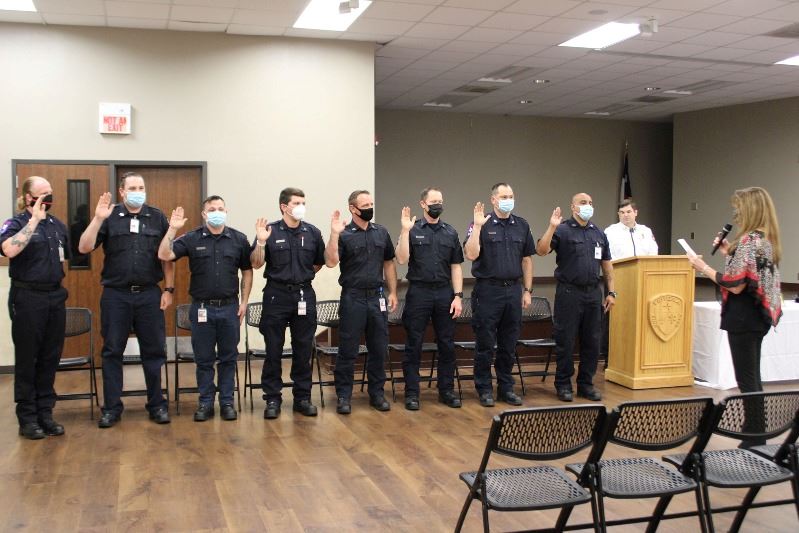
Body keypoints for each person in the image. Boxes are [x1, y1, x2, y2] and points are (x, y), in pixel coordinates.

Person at [78, 172, 174, 428]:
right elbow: (84, 247)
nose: (138, 192)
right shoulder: (109, 216)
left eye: (141, 187)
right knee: (112, 351)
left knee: (154, 351)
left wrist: (169, 289)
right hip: (116, 295)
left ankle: (157, 405)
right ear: (122, 192)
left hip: (149, 294)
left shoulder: (157, 217)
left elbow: (167, 257)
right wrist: (98, 219)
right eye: (132, 188)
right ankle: (111, 408)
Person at [158, 196, 253, 422]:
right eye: (212, 209)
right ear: (204, 214)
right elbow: (164, 255)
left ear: (226, 211)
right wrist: (172, 229)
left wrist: (244, 301)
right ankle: (206, 403)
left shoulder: (239, 239)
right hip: (202, 309)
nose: (216, 212)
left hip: (230, 308)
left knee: (229, 358)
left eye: (220, 208)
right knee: (204, 360)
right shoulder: (192, 238)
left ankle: (227, 402)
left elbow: (247, 271)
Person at [687, 187, 782, 396]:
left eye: (738, 208)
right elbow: (749, 274)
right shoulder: (764, 240)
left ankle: (754, 418)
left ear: (750, 210)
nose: (736, 213)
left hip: (743, 318)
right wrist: (729, 252)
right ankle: (757, 417)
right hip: (757, 316)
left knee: (747, 382)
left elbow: (736, 285)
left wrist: (702, 267)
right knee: (753, 379)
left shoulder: (748, 241)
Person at [1, 177, 69, 439]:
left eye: (50, 193)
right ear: (28, 197)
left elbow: (64, 258)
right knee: (28, 357)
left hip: (54, 296)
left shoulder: (57, 226)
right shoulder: (16, 223)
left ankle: (45, 413)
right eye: (42, 194)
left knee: (50, 357)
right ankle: (28, 418)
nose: (47, 198)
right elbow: (8, 250)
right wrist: (33, 222)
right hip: (27, 297)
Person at [250, 188, 325, 420]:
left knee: (303, 349)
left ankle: (302, 397)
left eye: (303, 202)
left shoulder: (312, 232)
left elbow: (318, 263)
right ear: (284, 206)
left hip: (304, 294)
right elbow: (256, 263)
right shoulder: (269, 231)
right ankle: (272, 398)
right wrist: (260, 242)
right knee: (273, 349)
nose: (301, 206)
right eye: (296, 203)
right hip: (276, 295)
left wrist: (300, 276)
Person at [536, 193, 615, 402]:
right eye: (583, 203)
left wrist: (611, 292)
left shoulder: (598, 233)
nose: (588, 206)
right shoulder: (562, 230)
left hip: (593, 293)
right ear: (573, 207)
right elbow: (541, 250)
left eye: (590, 203)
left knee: (592, 341)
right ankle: (563, 384)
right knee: (566, 340)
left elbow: (607, 265)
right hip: (569, 293)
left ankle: (586, 384)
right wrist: (552, 226)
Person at [324, 190, 398, 414]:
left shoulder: (381, 232)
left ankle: (377, 394)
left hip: (377, 297)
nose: (369, 208)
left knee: (379, 348)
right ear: (352, 208)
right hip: (353, 297)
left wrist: (393, 292)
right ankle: (343, 396)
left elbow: (389, 263)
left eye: (371, 204)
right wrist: (334, 234)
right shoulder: (344, 234)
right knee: (348, 349)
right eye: (365, 205)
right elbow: (331, 261)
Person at [463, 183, 534, 407]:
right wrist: (477, 226)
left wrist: (528, 290)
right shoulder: (480, 223)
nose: (508, 200)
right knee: (485, 344)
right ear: (493, 200)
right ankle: (484, 389)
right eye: (504, 196)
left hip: (513, 290)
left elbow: (527, 260)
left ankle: (506, 388)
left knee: (508, 344)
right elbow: (471, 254)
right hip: (488, 290)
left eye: (511, 196)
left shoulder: (521, 225)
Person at [395, 188, 464, 410]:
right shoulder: (412, 229)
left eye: (440, 201)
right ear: (423, 204)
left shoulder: (450, 232)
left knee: (447, 344)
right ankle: (412, 393)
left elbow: (456, 266)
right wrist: (405, 230)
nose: (438, 205)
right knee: (414, 343)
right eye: (433, 201)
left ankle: (447, 391)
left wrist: (458, 296)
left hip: (444, 292)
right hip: (419, 292)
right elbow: (401, 259)